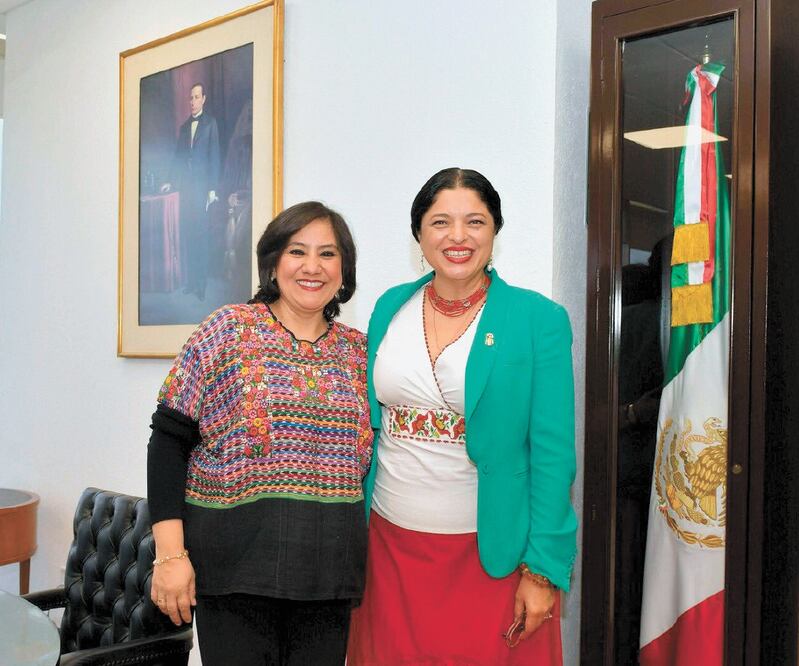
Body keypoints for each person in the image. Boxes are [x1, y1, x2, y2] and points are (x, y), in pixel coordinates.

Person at [347, 168, 577, 665]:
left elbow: (555, 455)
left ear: (495, 229)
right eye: (440, 222)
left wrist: (542, 570)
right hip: (389, 549)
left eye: (474, 221)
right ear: (419, 234)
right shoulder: (390, 307)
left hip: (490, 556)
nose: (457, 237)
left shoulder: (538, 320)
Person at [146, 201, 373, 666]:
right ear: (272, 262)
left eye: (328, 254)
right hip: (234, 576)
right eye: (297, 251)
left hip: (327, 580)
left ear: (344, 269)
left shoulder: (360, 352)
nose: (312, 266)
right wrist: (170, 558)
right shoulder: (226, 331)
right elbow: (167, 441)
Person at [161, 82, 220, 300]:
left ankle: (201, 284)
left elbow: (215, 156)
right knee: (189, 236)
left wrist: (212, 189)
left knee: (201, 236)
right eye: (191, 98)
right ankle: (192, 282)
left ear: (203, 99)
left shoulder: (211, 124)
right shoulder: (185, 127)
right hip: (186, 190)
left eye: (197, 97)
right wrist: (169, 180)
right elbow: (177, 157)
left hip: (202, 190)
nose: (193, 101)